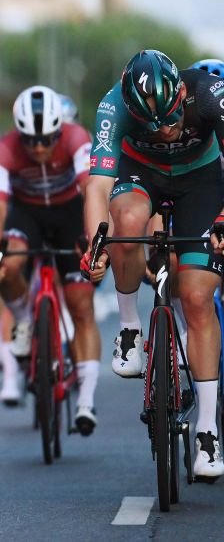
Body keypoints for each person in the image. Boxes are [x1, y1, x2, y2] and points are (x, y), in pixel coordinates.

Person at [84, 49, 224, 480]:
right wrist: (96, 246)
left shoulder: (208, 94)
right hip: (139, 174)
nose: (163, 131)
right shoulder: (112, 106)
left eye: (169, 119)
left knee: (197, 298)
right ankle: (129, 327)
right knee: (124, 222)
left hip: (200, 180)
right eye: (150, 123)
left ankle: (207, 431)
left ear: (181, 93)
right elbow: (97, 186)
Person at [0, 86, 100, 433]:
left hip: (69, 213)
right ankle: (22, 319)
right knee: (7, 268)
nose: (38, 148)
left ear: (59, 131)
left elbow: (88, 190)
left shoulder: (77, 137)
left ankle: (86, 400)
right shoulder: (3, 149)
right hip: (27, 215)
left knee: (80, 305)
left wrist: (92, 240)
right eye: (30, 140)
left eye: (47, 139)